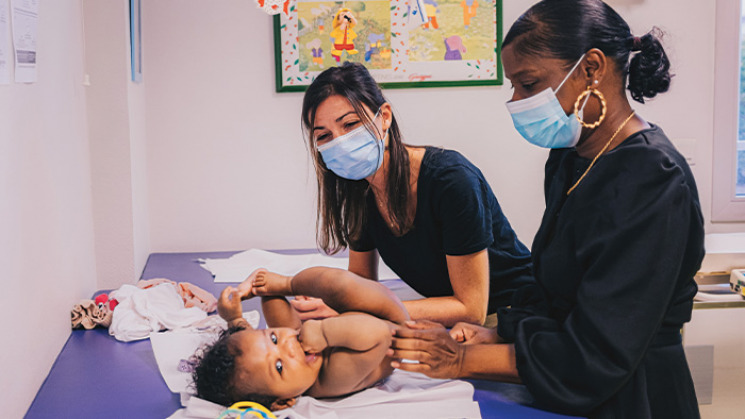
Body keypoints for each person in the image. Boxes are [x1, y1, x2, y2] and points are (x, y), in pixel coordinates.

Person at [389, 1, 704, 418]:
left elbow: (599, 351)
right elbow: (556, 292)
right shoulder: (572, 158)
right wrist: (496, 331)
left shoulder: (652, 179)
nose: (516, 100)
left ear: (592, 67)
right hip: (565, 385)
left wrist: (459, 360)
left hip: (633, 395)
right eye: (513, 87)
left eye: (529, 84)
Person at [295, 62, 534, 328]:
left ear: (384, 116)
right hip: (454, 318)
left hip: (513, 312)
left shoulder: (451, 180)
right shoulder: (359, 190)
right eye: (324, 136)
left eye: (350, 124)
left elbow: (470, 309)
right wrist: (335, 302)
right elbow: (360, 286)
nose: (339, 141)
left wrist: (364, 308)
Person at [192, 267, 409, 410]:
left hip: (339, 327)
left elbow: (252, 345)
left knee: (275, 315)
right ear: (284, 401)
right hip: (392, 323)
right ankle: (289, 283)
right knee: (339, 283)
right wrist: (324, 332)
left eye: (273, 339)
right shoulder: (332, 378)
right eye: (278, 367)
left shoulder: (296, 357)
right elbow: (379, 334)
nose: (288, 349)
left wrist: (234, 317)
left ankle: (273, 287)